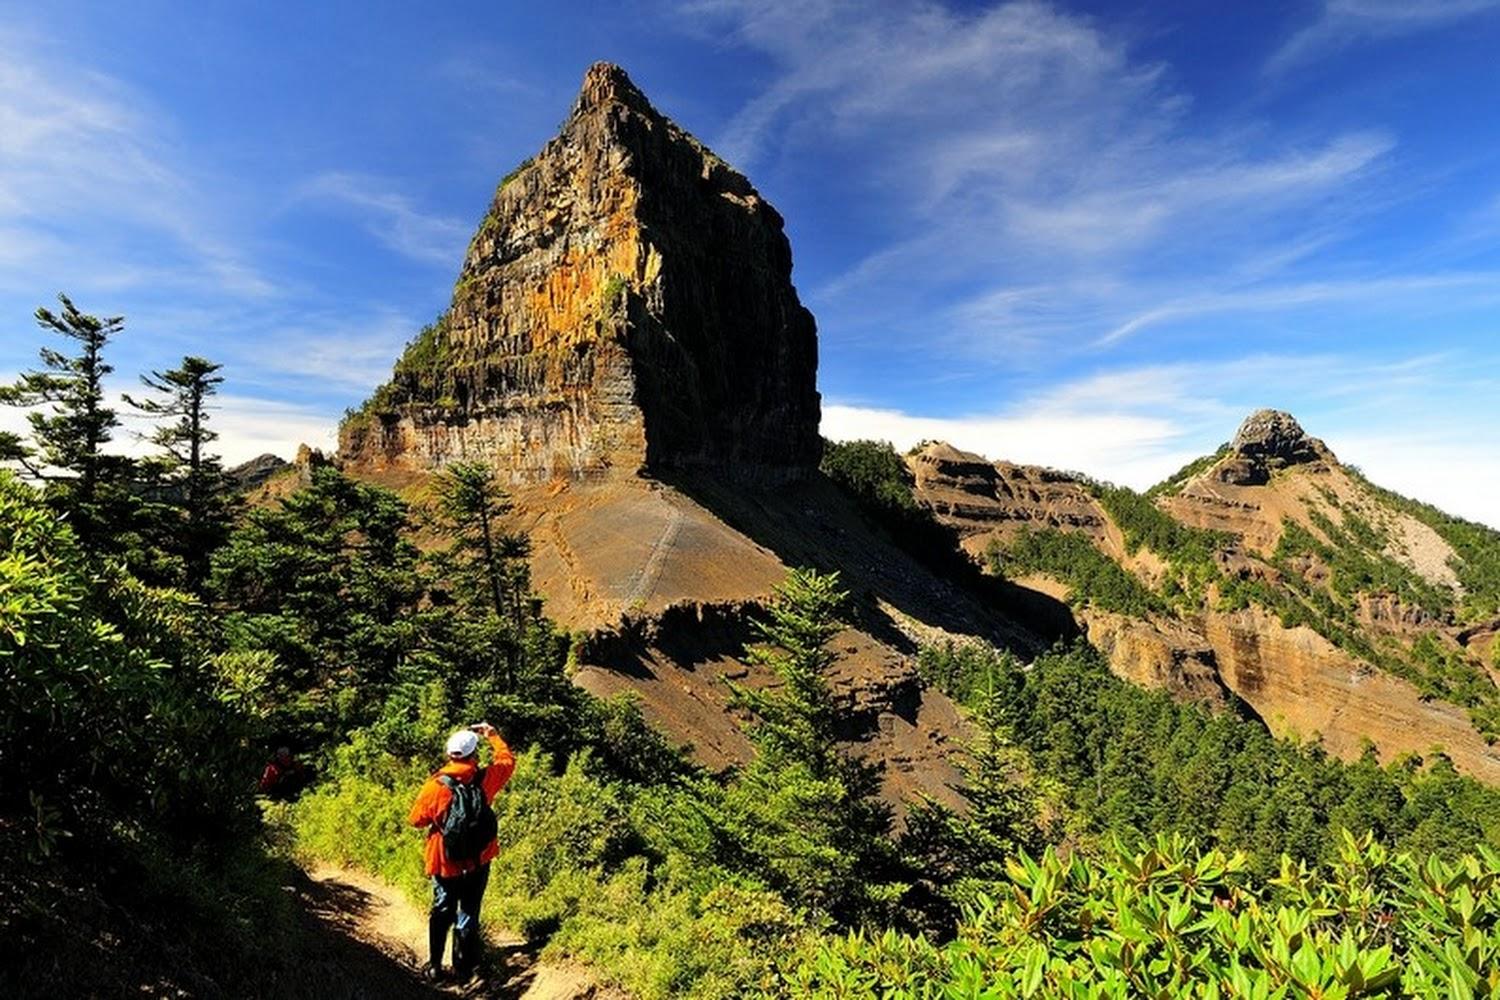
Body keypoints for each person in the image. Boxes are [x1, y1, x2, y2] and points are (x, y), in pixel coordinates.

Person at [407, 721, 516, 982]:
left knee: (442, 908)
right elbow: (507, 761)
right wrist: (493, 736)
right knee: (468, 911)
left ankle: (434, 966)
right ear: (474, 755)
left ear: (449, 755)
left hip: (445, 861)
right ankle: (463, 968)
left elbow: (415, 820)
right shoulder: (485, 779)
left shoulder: (435, 787)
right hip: (479, 859)